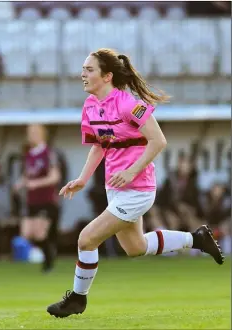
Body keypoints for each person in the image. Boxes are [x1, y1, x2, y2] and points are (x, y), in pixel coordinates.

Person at [46, 48, 224, 318]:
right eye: (83, 69)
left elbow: (158, 141)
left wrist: (131, 171)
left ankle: (78, 299)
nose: (82, 74)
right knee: (135, 248)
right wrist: (83, 178)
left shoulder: (129, 104)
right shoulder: (90, 106)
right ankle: (196, 239)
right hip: (114, 187)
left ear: (107, 76)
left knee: (86, 239)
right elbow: (98, 146)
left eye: (89, 69)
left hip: (137, 189)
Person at [14, 124, 61, 273]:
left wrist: (36, 184)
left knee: (41, 233)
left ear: (42, 134)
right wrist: (20, 183)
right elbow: (28, 175)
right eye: (29, 133)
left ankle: (48, 263)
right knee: (26, 233)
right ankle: (45, 254)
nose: (31, 136)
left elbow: (55, 177)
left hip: (46, 200)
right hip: (31, 201)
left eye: (34, 132)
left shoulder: (48, 153)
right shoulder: (28, 155)